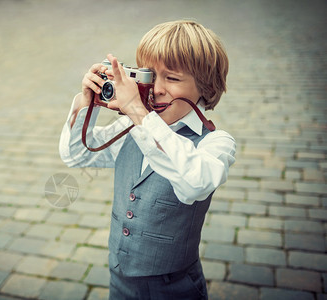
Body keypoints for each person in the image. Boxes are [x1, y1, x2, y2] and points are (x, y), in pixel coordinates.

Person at [59, 20, 236, 300]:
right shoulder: (130, 127)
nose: (158, 89)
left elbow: (194, 183)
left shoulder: (216, 143)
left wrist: (139, 113)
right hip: (119, 278)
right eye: (151, 76)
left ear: (206, 86)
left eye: (173, 78)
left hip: (174, 288)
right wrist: (87, 103)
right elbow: (77, 154)